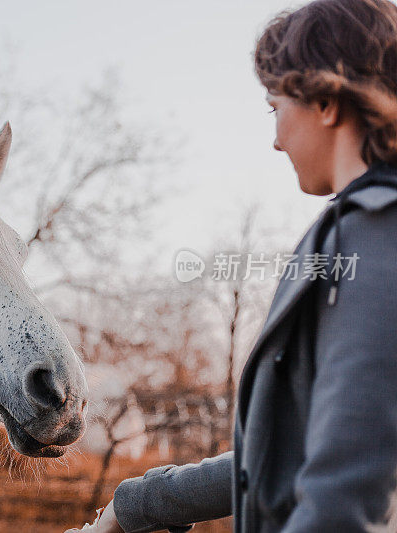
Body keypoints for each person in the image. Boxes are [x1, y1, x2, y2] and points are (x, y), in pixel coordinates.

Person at [66, 0, 397, 531]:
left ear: (327, 101)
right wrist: (138, 507)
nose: (275, 139)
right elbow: (278, 458)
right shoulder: (348, 234)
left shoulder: (377, 241)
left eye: (276, 107)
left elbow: (344, 497)